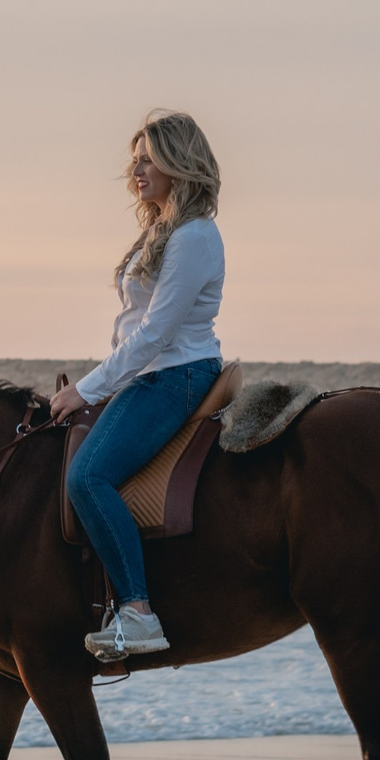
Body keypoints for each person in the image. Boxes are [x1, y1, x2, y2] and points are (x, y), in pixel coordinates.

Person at [49, 111, 226, 660]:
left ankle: (138, 612)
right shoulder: (164, 230)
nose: (137, 169)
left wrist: (88, 389)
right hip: (153, 370)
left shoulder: (194, 236)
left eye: (148, 157)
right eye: (136, 158)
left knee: (89, 476)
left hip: (176, 375)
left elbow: (154, 333)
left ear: (179, 162)